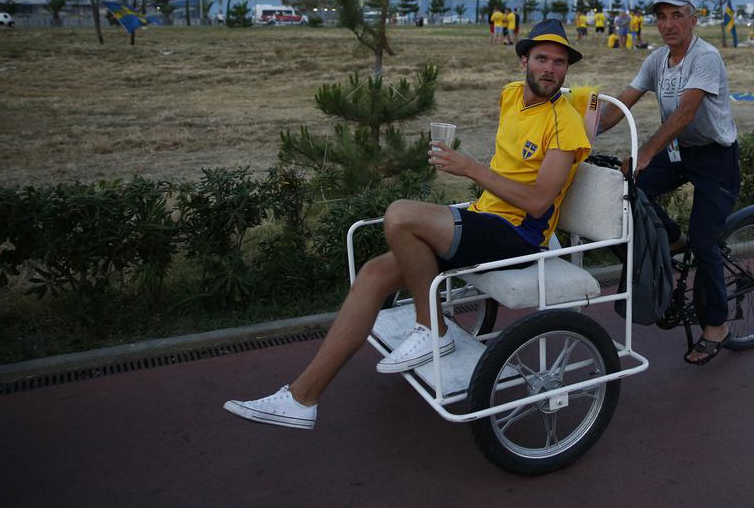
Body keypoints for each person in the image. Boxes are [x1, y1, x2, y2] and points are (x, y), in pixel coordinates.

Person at [223, 21, 591, 430]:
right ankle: (301, 398)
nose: (551, 69)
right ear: (524, 59)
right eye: (542, 59)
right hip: (483, 216)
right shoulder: (510, 95)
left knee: (401, 215)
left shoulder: (565, 121)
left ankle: (431, 329)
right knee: (373, 273)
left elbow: (540, 201)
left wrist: (471, 168)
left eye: (560, 63)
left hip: (518, 237)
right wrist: (478, 179)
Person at [598, 0, 739, 366]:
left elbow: (686, 113)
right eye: (661, 16)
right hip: (677, 152)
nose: (668, 23)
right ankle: (670, 241)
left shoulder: (705, 57)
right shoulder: (657, 59)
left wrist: (645, 151)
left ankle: (717, 326)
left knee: (705, 241)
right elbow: (617, 107)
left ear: (694, 19)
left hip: (714, 157)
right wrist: (578, 134)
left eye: (677, 15)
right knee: (621, 194)